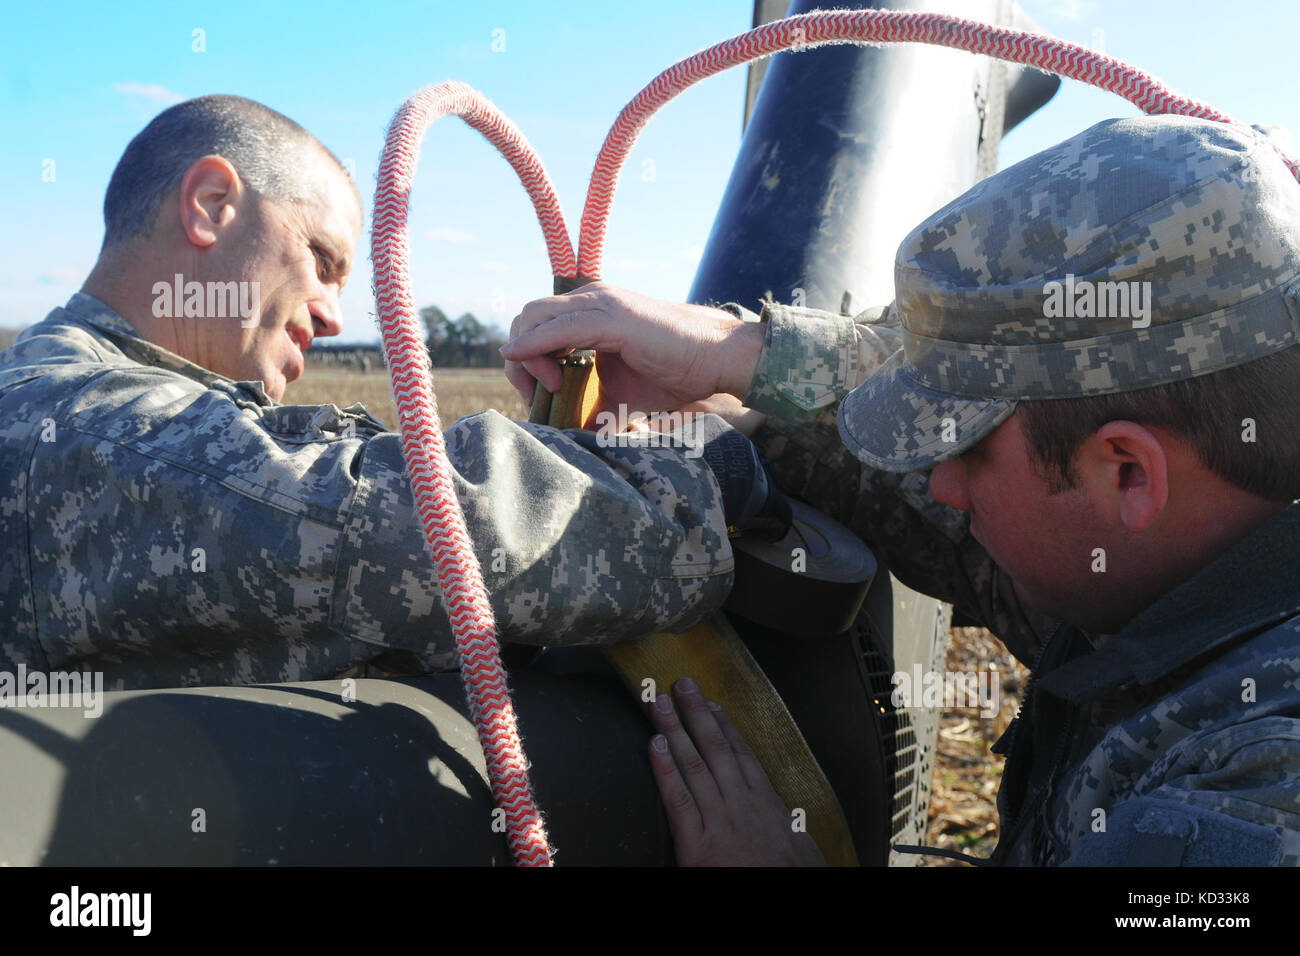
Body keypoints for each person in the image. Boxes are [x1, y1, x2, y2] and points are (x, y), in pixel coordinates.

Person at [502, 114, 1300, 866]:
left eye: (966, 451)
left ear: (1129, 472)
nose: (940, 485)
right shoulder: (1193, 541)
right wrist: (728, 365)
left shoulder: (1263, 791)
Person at [0, 94, 782, 691]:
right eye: (320, 256)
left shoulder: (105, 404)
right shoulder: (70, 426)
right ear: (211, 205)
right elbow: (420, 527)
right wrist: (717, 449)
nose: (335, 315)